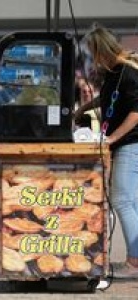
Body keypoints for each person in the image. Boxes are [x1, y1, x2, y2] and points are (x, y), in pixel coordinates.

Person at [76, 25, 138, 278]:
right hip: (127, 144)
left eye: (93, 52)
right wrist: (84, 108)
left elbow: (135, 112)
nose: (92, 58)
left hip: (131, 144)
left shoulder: (128, 73)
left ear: (102, 49)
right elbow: (110, 100)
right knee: (131, 202)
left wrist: (112, 137)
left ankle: (135, 261)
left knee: (122, 200)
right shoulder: (114, 73)